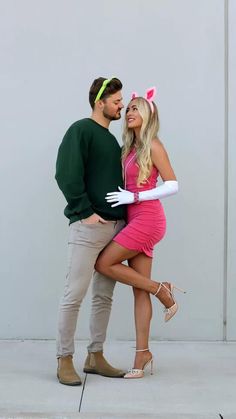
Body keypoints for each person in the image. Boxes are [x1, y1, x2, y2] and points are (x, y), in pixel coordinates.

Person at [95, 87, 184, 379]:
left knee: (104, 264)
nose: (130, 112)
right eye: (128, 108)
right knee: (139, 286)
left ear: (147, 115)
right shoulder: (128, 149)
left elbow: (173, 185)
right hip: (133, 218)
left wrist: (135, 198)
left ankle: (161, 290)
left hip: (148, 219)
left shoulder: (153, 145)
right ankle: (142, 354)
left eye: (136, 108)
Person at [55, 77, 126, 386]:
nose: (121, 105)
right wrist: (86, 213)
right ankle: (64, 359)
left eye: (121, 100)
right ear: (100, 103)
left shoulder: (111, 140)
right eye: (116, 101)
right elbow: (65, 173)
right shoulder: (80, 131)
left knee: (103, 296)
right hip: (89, 227)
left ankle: (95, 356)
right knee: (74, 295)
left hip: (115, 229)